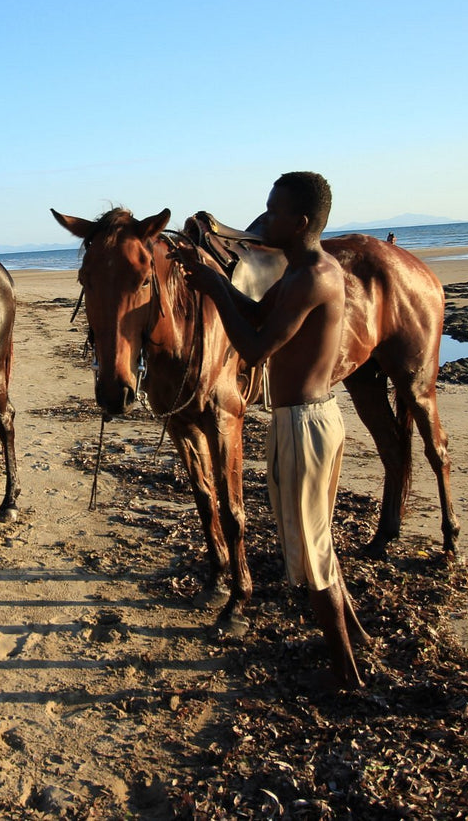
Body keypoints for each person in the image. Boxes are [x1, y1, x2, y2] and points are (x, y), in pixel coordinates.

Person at [174, 171, 368, 690]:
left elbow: (257, 346)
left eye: (273, 211)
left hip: (306, 424)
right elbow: (260, 311)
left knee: (312, 552)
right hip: (297, 420)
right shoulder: (300, 269)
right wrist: (215, 280)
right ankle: (356, 641)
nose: (263, 219)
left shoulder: (313, 277)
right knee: (313, 543)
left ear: (300, 222)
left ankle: (345, 674)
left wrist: (214, 289)